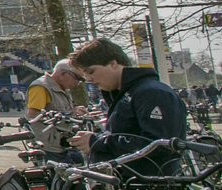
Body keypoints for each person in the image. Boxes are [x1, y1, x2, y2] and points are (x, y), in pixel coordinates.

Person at [69, 37, 188, 176]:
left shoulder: (151, 92)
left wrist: (97, 142)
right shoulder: (127, 94)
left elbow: (158, 143)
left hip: (150, 186)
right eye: (84, 75)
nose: (88, 79)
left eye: (91, 71)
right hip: (132, 183)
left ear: (113, 63)